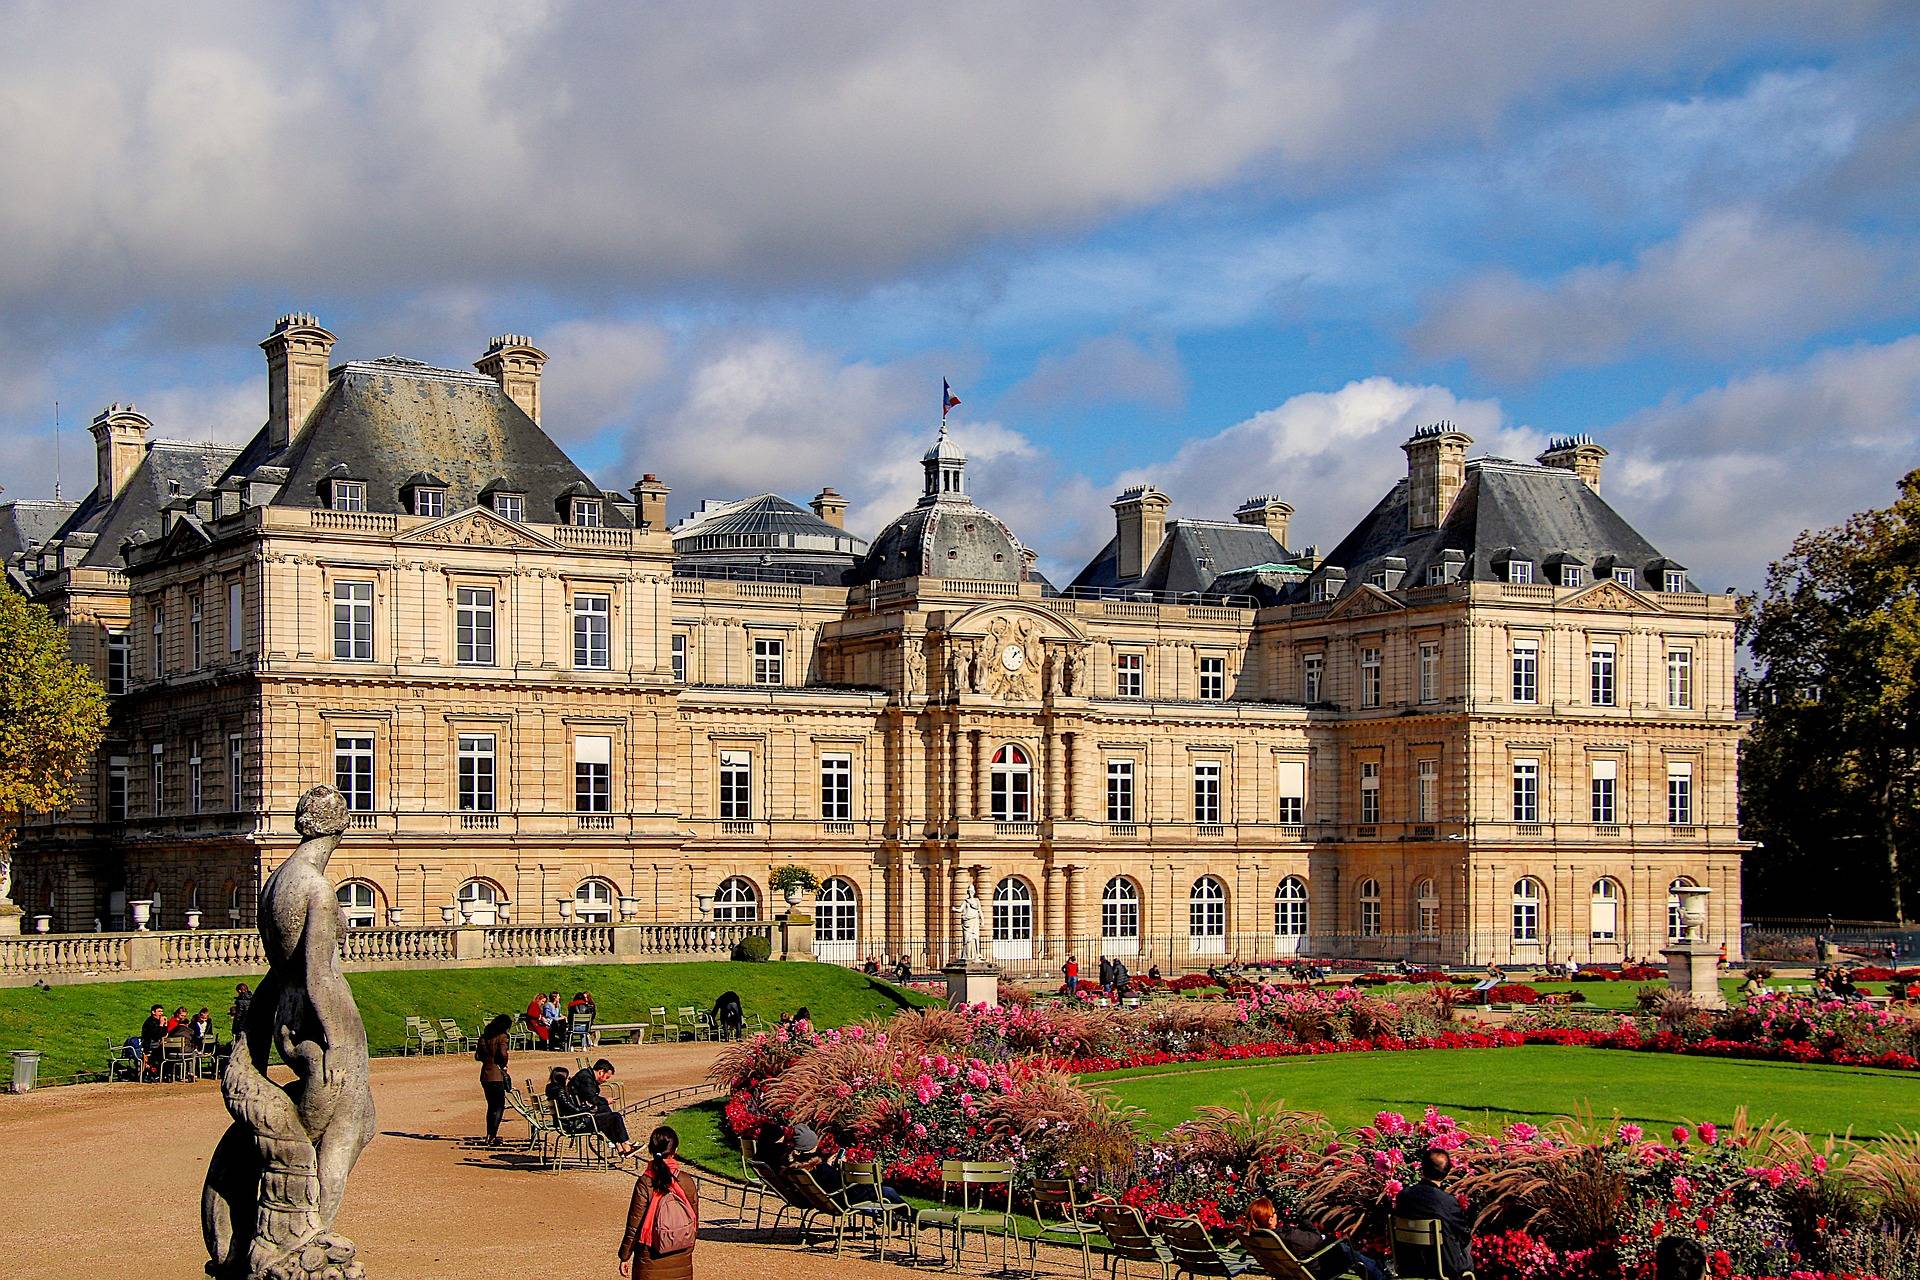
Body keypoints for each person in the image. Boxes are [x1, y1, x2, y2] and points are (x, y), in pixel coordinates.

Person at [619, 1125, 700, 1280]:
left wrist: (625, 1255)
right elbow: (694, 1221)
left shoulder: (646, 1182)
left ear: (651, 1149)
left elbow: (634, 1225)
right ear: (675, 1150)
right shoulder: (686, 1180)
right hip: (680, 1250)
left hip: (650, 1255)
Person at [1243, 1196, 1383, 1280]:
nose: (1277, 1214)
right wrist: (1305, 1220)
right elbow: (1316, 1240)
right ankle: (1380, 1275)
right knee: (1344, 1248)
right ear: (1269, 1220)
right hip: (1316, 1270)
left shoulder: (1262, 1237)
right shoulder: (1289, 1236)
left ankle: (1378, 1266)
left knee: (1345, 1250)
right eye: (1274, 1213)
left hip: (1291, 1270)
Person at [1392, 1148, 1473, 1278]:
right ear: (1447, 1172)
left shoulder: (1403, 1196)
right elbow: (1463, 1235)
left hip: (1409, 1263)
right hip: (1445, 1266)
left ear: (1422, 1168)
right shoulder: (1447, 1202)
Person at [570, 1058, 634, 1155]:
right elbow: (593, 1099)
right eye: (606, 1077)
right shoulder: (586, 1078)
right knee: (615, 1116)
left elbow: (591, 1098)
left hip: (581, 1114)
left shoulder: (586, 1075)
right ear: (601, 1072)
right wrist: (605, 1101)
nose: (605, 1081)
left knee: (607, 1113)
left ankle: (620, 1145)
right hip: (580, 1121)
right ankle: (625, 1145)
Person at [475, 1013, 512, 1146]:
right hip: (497, 1074)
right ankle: (492, 1136)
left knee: (491, 1107)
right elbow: (503, 1054)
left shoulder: (483, 1038)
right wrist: (504, 1063)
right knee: (499, 1106)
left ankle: (489, 1134)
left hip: (485, 1073)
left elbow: (478, 1056)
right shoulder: (502, 1037)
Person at [140, 1003, 168, 1076]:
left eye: (162, 1012)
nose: (161, 1014)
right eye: (159, 1011)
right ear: (153, 1012)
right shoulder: (149, 1022)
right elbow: (155, 1035)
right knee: (164, 1052)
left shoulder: (157, 1021)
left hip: (155, 1044)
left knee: (168, 1051)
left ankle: (162, 1073)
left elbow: (163, 1034)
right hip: (149, 1045)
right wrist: (161, 1025)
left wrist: (165, 1025)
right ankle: (154, 1072)